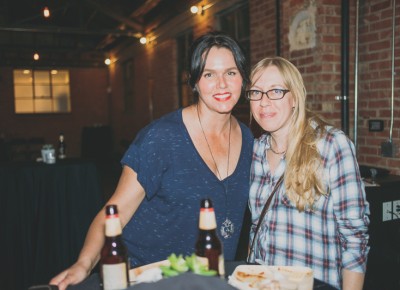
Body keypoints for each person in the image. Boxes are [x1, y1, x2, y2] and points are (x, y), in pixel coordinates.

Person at [50, 31, 253, 290]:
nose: (222, 84)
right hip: (149, 278)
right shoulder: (161, 138)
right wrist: (83, 264)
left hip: (208, 281)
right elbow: (115, 212)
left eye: (231, 72)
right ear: (193, 81)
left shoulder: (248, 139)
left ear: (243, 79)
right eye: (209, 74)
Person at [246, 56, 369, 290]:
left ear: (295, 97)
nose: (263, 102)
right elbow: (256, 229)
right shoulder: (255, 151)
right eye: (256, 92)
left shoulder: (331, 144)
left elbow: (355, 239)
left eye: (275, 91)